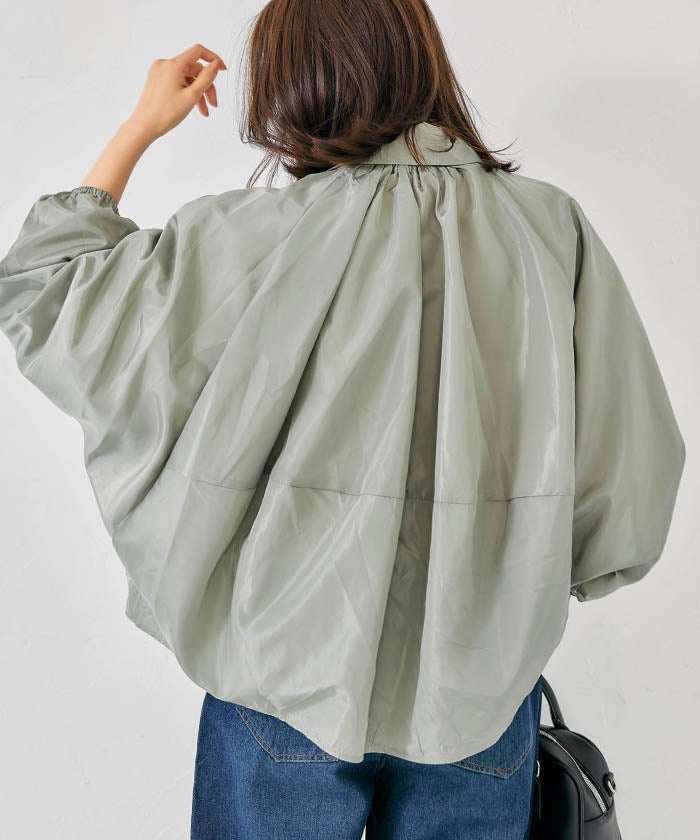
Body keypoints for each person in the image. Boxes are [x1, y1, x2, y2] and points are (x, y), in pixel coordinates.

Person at [0, 1, 685, 838]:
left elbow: (48, 286)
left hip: (281, 678)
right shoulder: (549, 228)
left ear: (291, 81)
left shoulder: (250, 236)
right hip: (482, 678)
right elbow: (627, 461)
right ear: (420, 60)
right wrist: (547, 568)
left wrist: (141, 125)